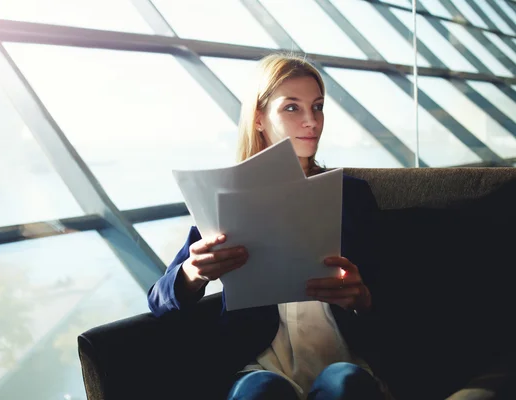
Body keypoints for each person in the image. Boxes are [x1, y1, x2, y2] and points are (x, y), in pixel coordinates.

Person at [147, 54, 389, 400]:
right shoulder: (229, 197)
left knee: (345, 383)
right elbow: (158, 300)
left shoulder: (350, 195)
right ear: (259, 118)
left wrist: (362, 297)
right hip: (260, 363)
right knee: (261, 392)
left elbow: (391, 294)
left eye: (317, 107)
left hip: (343, 358)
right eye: (292, 108)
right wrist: (191, 273)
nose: (312, 121)